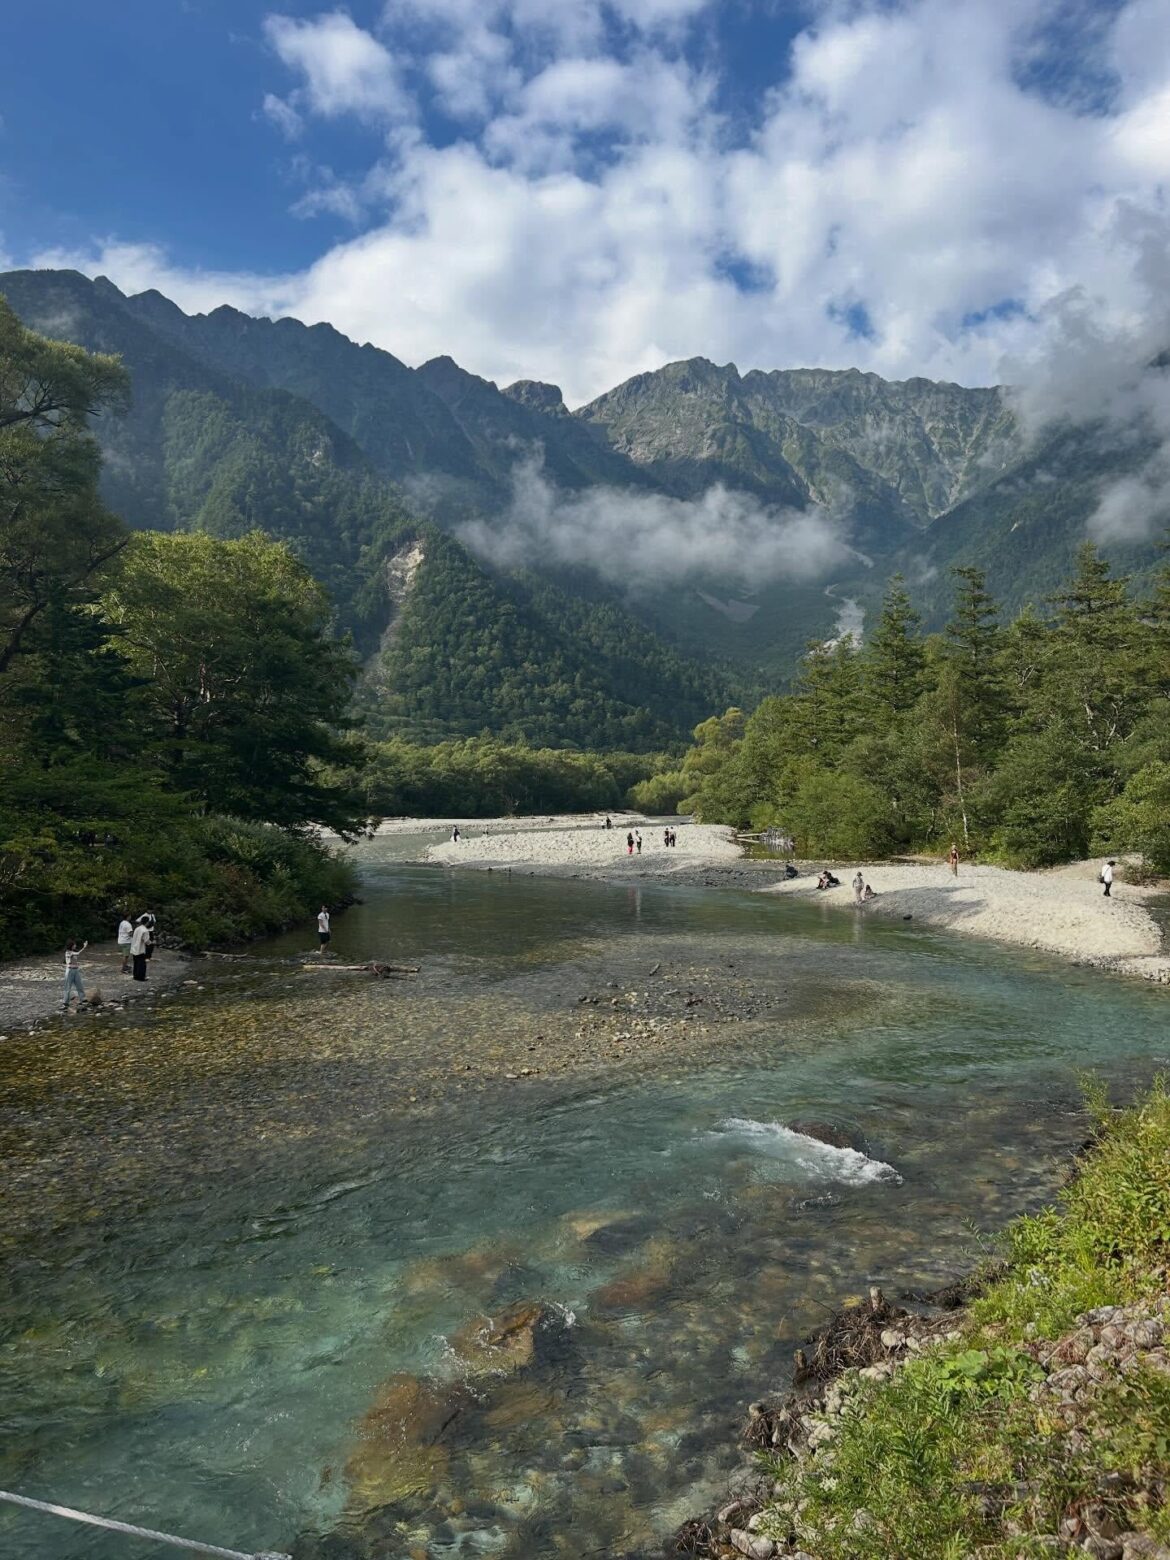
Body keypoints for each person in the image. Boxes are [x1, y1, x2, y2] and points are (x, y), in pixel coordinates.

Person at [63, 940, 88, 1010]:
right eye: (74, 945)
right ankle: (65, 1002)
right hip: (70, 971)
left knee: (79, 985)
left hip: (76, 970)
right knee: (67, 987)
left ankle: (83, 999)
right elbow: (77, 954)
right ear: (71, 945)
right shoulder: (67, 952)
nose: (75, 946)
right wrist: (84, 947)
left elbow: (76, 953)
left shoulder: (73, 952)